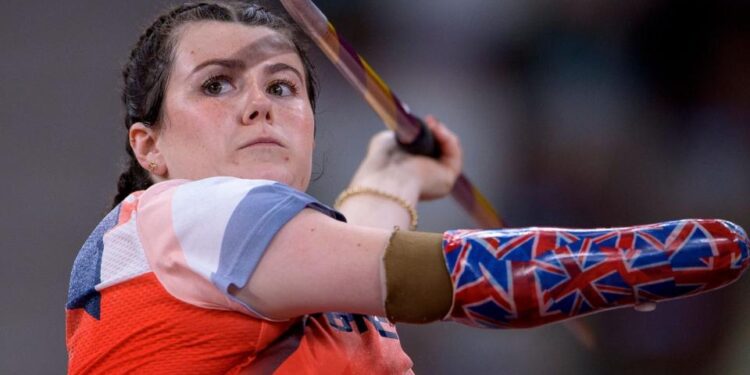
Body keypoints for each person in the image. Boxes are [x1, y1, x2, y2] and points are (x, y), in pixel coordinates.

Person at [66, 1, 750, 374]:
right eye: (217, 84)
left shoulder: (228, 258)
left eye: (282, 84)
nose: (259, 105)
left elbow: (350, 250)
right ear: (148, 146)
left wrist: (396, 169)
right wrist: (633, 262)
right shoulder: (188, 212)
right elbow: (456, 277)